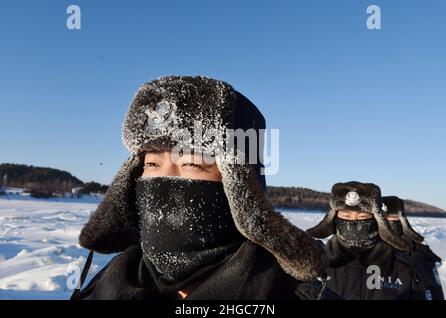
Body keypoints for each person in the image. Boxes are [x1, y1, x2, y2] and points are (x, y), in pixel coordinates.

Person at [71, 76, 334, 300]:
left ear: (242, 188)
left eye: (192, 164)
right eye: (151, 163)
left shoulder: (289, 293)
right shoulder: (110, 282)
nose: (162, 180)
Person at [307, 181, 443, 300]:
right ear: (333, 219)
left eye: (362, 216)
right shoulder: (315, 264)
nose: (353, 222)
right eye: (346, 216)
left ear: (377, 220)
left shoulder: (403, 267)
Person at [381, 196, 444, 299]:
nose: (392, 220)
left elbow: (433, 290)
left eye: (396, 217)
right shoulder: (368, 250)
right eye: (387, 218)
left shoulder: (419, 251)